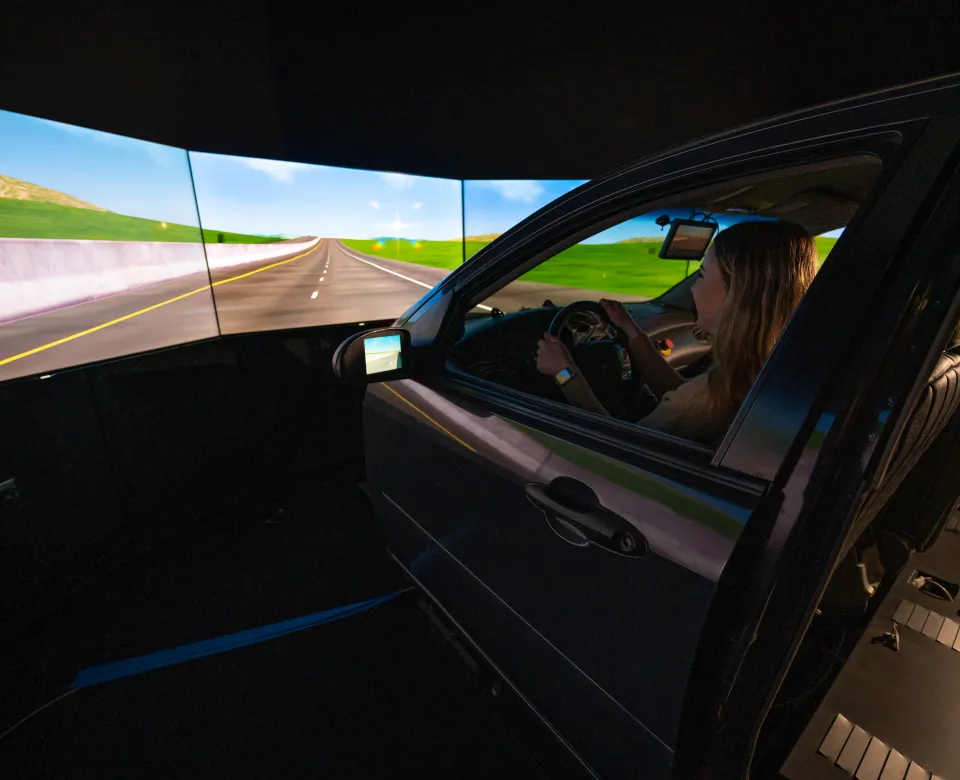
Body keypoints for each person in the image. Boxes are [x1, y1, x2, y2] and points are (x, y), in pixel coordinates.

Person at [535, 220, 819, 445]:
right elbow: (680, 394)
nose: (693, 288)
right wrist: (633, 333)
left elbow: (615, 446)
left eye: (703, 276)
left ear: (738, 296)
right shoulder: (767, 372)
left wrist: (565, 373)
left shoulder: (705, 401)